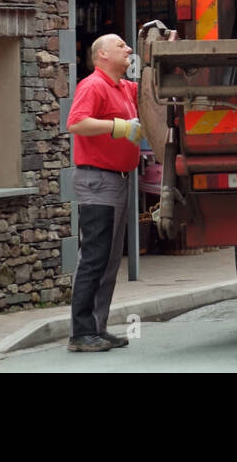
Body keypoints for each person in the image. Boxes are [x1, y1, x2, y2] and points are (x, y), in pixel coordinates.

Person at [65, 33, 142, 352]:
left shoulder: (125, 87)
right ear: (101, 56)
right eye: (121, 45)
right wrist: (118, 127)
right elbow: (77, 122)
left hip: (118, 179)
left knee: (109, 258)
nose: (128, 49)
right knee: (95, 257)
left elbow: (153, 91)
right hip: (98, 179)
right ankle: (81, 332)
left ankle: (96, 326)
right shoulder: (93, 85)